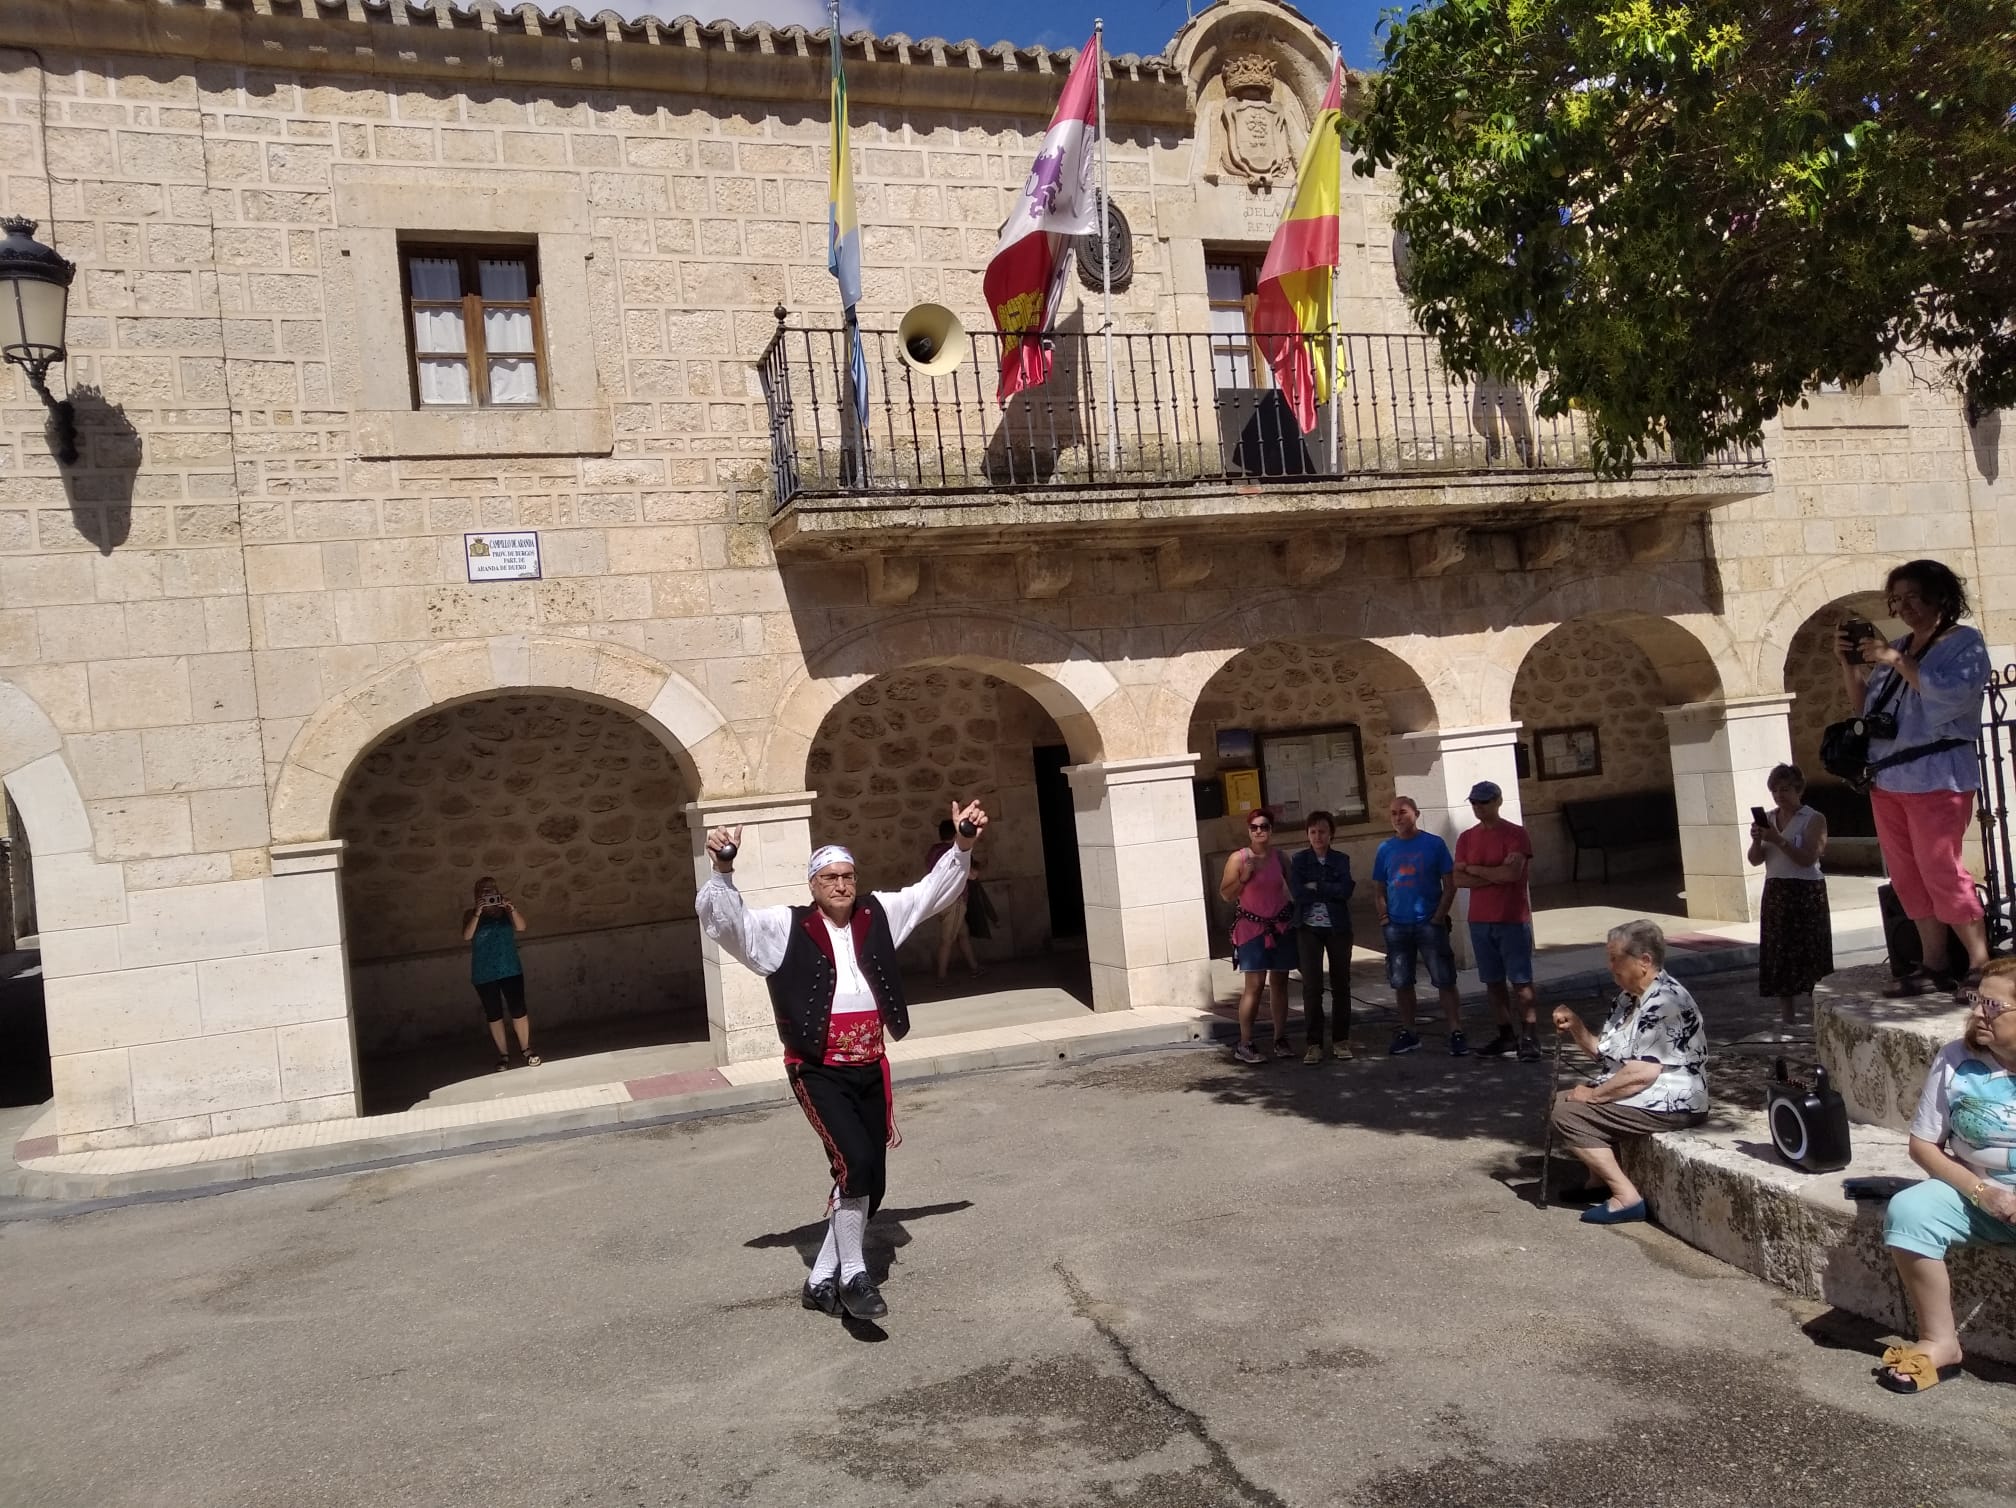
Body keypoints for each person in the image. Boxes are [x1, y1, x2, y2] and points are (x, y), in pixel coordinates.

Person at [696, 800, 986, 1323]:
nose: (841, 885)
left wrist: (962, 844)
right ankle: (855, 1275)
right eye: (829, 877)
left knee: (871, 1178)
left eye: (848, 876)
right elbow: (726, 923)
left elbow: (928, 895)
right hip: (818, 1068)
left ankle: (820, 1278)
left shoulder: (877, 916)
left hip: (870, 1063)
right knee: (855, 1164)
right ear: (812, 883)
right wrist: (723, 868)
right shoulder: (784, 926)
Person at [1837, 559, 1992, 997]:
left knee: (1942, 869)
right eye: (1897, 600)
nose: (1904, 607)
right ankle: (1933, 964)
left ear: (1941, 596)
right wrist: (1851, 666)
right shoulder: (1901, 645)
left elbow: (1953, 696)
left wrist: (1895, 658)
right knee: (1907, 875)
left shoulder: (1965, 643)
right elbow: (1869, 710)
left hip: (1938, 775)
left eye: (1912, 598)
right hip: (1889, 778)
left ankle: (1981, 963)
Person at [1876, 958, 2016, 1393]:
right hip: (1978, 1196)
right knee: (1910, 1211)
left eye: (1992, 1006)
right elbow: (1922, 1145)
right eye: (1976, 1001)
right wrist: (1982, 1192)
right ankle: (1940, 1342)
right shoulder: (1957, 1058)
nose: (1977, 1013)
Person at [1547, 920, 1709, 1225]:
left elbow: (1642, 1073)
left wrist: (1595, 1096)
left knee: (1566, 1114)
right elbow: (1605, 1054)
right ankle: (1598, 1181)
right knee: (1562, 1101)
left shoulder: (1666, 1002)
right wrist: (1576, 1026)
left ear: (1644, 961)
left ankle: (1626, 1196)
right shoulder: (1626, 999)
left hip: (1674, 1100)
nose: (1610, 967)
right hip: (1645, 1093)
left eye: (1615, 959)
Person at [1452, 780, 1540, 1061]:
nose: (1479, 807)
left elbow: (1511, 875)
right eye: (1475, 803)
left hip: (1511, 918)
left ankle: (1530, 1035)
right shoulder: (1466, 838)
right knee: (1492, 981)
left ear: (1498, 801)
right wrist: (1492, 872)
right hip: (1479, 919)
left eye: (1484, 802)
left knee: (1521, 981)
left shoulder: (1516, 835)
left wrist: (1476, 870)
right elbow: (1458, 878)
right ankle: (1505, 1034)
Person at [1372, 796, 1464, 1056]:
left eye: (1402, 812)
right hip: (1397, 926)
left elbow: (1450, 883)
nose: (1397, 818)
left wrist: (1438, 917)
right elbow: (1378, 887)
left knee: (1444, 979)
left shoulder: (1434, 845)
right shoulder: (1385, 849)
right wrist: (1384, 918)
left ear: (1416, 814)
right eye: (1393, 813)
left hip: (1429, 924)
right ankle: (1409, 1032)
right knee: (1401, 981)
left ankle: (1456, 1030)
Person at [1746, 763, 1832, 1037]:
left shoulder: (1813, 818)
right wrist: (1759, 840)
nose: (1779, 795)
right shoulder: (1769, 819)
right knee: (1780, 951)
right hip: (1777, 890)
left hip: (1805, 891)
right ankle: (1787, 1018)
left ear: (1798, 790)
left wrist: (1779, 839)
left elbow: (1808, 858)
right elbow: (1755, 859)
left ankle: (1820, 1014)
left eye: (1785, 789)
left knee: (1810, 951)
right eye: (1775, 790)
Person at [1221, 808, 1295, 1065]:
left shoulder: (1281, 858)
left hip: (1280, 928)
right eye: (1254, 827)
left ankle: (1280, 1038)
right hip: (1252, 930)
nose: (1259, 831)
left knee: (1280, 983)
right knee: (1254, 986)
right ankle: (1245, 1042)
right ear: (1248, 830)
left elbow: (1292, 888)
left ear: (1271, 830)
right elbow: (1226, 894)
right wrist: (1243, 878)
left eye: (1264, 826)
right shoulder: (1239, 859)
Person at [1289, 810, 1356, 1064]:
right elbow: (1298, 892)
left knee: (1341, 984)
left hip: (1337, 927)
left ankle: (1341, 1040)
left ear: (1331, 834)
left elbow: (1346, 890)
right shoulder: (1300, 860)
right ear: (1307, 834)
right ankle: (1314, 1043)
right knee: (1312, 987)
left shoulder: (1341, 859)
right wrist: (1326, 889)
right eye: (1313, 832)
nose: (1318, 836)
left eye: (1322, 831)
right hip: (1308, 928)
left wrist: (1317, 886)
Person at [461, 877, 540, 1070]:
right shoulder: (470, 914)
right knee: (494, 1014)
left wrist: (511, 908)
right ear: (477, 894)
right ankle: (503, 1055)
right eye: (483, 890)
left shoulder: (505, 911)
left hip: (510, 968)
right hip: (484, 972)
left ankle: (526, 1049)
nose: (488, 893)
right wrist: (478, 913)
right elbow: (467, 935)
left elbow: (521, 927)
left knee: (518, 1009)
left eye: (491, 889)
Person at [925, 818, 982, 982]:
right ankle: (941, 977)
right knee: (947, 940)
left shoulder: (933, 851)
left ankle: (975, 967)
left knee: (963, 934)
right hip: (954, 900)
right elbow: (972, 874)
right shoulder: (955, 852)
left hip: (938, 901)